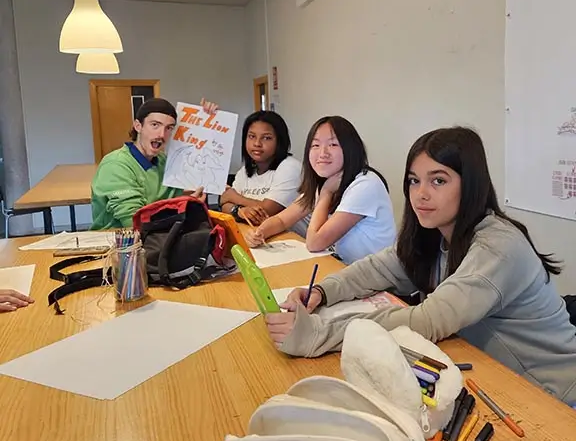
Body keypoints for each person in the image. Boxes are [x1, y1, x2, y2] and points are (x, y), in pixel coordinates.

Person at [265, 126, 576, 404]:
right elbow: (377, 268)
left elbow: (428, 319)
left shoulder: (498, 245)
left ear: (471, 186)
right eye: (414, 181)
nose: (421, 194)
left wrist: (319, 333)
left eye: (438, 180)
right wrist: (321, 292)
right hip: (492, 377)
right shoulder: (436, 235)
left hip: (551, 395)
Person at [246, 116, 396, 265]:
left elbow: (315, 243)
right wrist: (260, 232)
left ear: (350, 149)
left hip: (376, 280)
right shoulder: (328, 181)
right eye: (315, 145)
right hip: (342, 269)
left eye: (333, 144)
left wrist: (325, 194)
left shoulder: (365, 184)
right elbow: (282, 220)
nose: (322, 153)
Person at [91, 97, 217, 230]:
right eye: (155, 125)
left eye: (169, 128)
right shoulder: (116, 165)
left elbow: (181, 191)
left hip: (160, 238)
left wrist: (205, 118)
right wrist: (185, 206)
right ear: (138, 126)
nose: (162, 134)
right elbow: (135, 222)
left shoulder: (162, 161)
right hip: (120, 244)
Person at [220, 111, 302, 226]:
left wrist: (235, 197)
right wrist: (239, 211)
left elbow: (267, 211)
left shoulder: (290, 167)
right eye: (252, 136)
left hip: (296, 240)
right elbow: (224, 204)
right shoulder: (244, 171)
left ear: (279, 141)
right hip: (260, 237)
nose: (257, 143)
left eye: (266, 138)